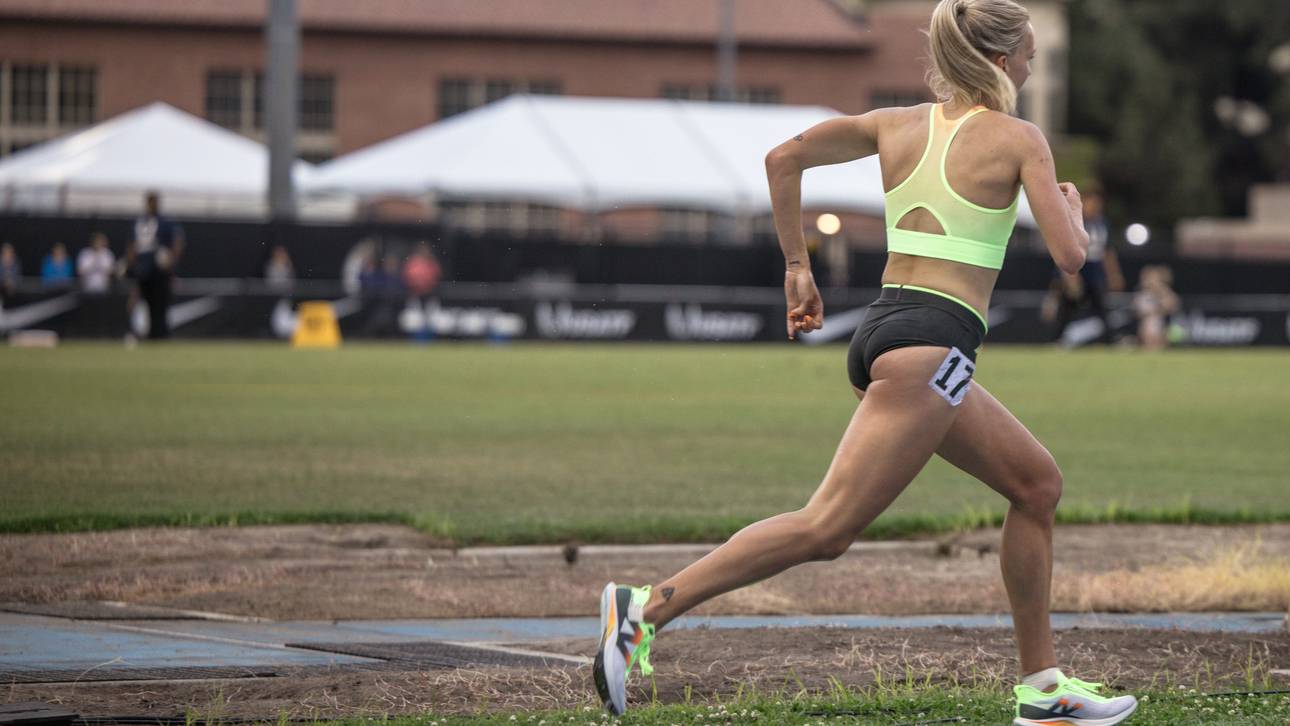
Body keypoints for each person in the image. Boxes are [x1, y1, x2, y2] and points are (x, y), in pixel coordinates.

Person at [592, 2, 1139, 725]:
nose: (1032, 68)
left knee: (1036, 485)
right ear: (1003, 62)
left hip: (892, 334)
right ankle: (646, 609)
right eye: (1030, 57)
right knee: (827, 528)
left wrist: (798, 268)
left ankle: (1042, 691)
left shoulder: (895, 123)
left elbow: (782, 157)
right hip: (931, 348)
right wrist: (1069, 203)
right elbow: (1073, 256)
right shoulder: (1020, 138)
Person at [1049, 186, 1124, 343]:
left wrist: (1114, 274)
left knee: (1102, 305)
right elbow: (1065, 248)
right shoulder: (1073, 221)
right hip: (1077, 266)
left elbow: (1107, 252)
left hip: (1095, 269)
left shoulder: (1103, 223)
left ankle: (1111, 339)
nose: (1095, 207)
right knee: (1068, 304)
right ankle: (1057, 338)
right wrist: (1070, 276)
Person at [127, 191, 185, 339]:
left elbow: (177, 241)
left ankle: (160, 334)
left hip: (159, 270)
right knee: (145, 304)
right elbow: (133, 246)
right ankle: (145, 333)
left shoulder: (164, 222)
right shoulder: (141, 222)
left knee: (160, 304)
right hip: (145, 269)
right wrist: (132, 265)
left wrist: (171, 262)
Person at [1133, 265, 1180, 350]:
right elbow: (1138, 312)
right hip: (1146, 329)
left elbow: (1172, 305)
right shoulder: (1142, 295)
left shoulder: (1164, 294)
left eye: (1153, 279)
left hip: (1162, 329)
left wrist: (1161, 289)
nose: (1149, 282)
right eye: (1147, 279)